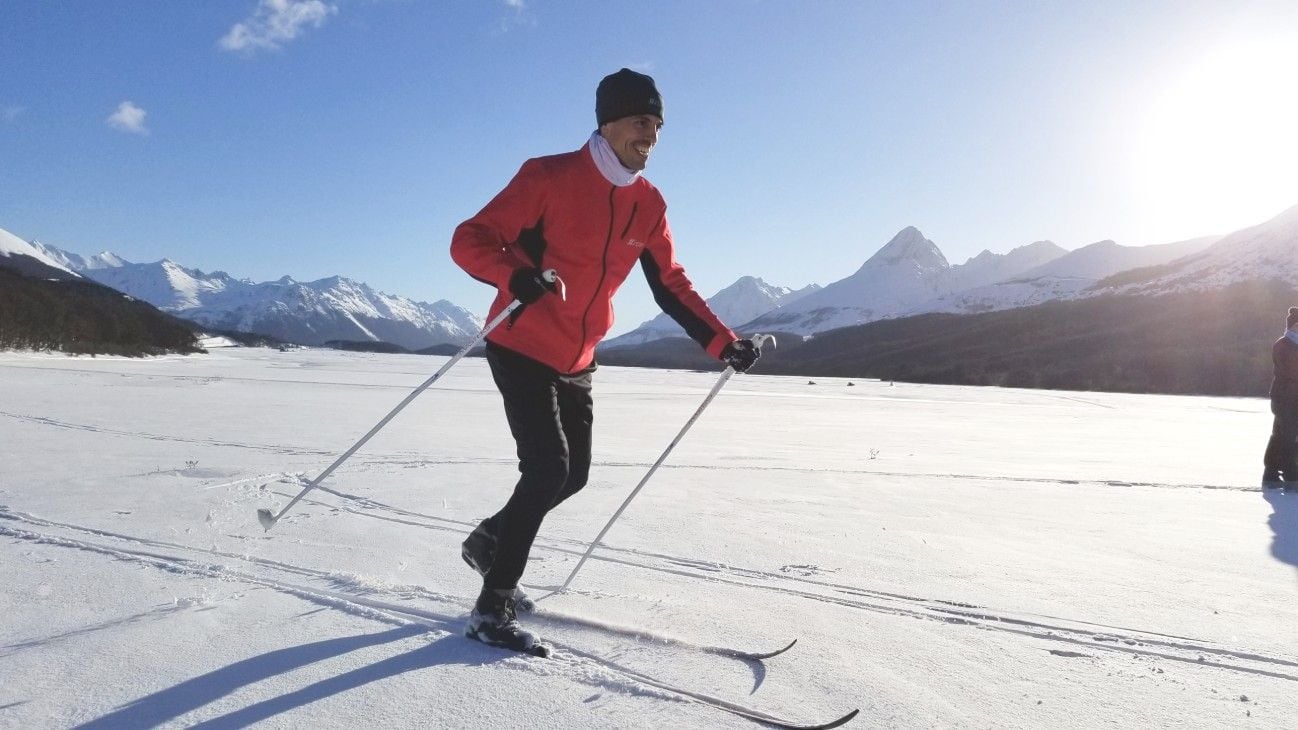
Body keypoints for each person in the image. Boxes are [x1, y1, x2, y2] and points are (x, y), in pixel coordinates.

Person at [449, 68, 762, 655]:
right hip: (521, 342)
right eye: (642, 121)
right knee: (546, 467)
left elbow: (670, 284)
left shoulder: (649, 204)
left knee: (572, 475)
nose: (652, 134)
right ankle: (492, 607)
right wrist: (516, 276)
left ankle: (491, 541)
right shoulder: (549, 176)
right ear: (609, 122)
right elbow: (470, 238)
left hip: (579, 354)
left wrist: (724, 342)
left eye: (659, 125)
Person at [1264, 307, 1298, 489]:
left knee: (1279, 435)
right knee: (1289, 438)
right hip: (1286, 399)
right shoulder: (1285, 345)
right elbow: (1292, 372)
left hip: (1289, 398)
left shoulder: (1291, 344)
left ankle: (1270, 473)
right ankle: (1292, 478)